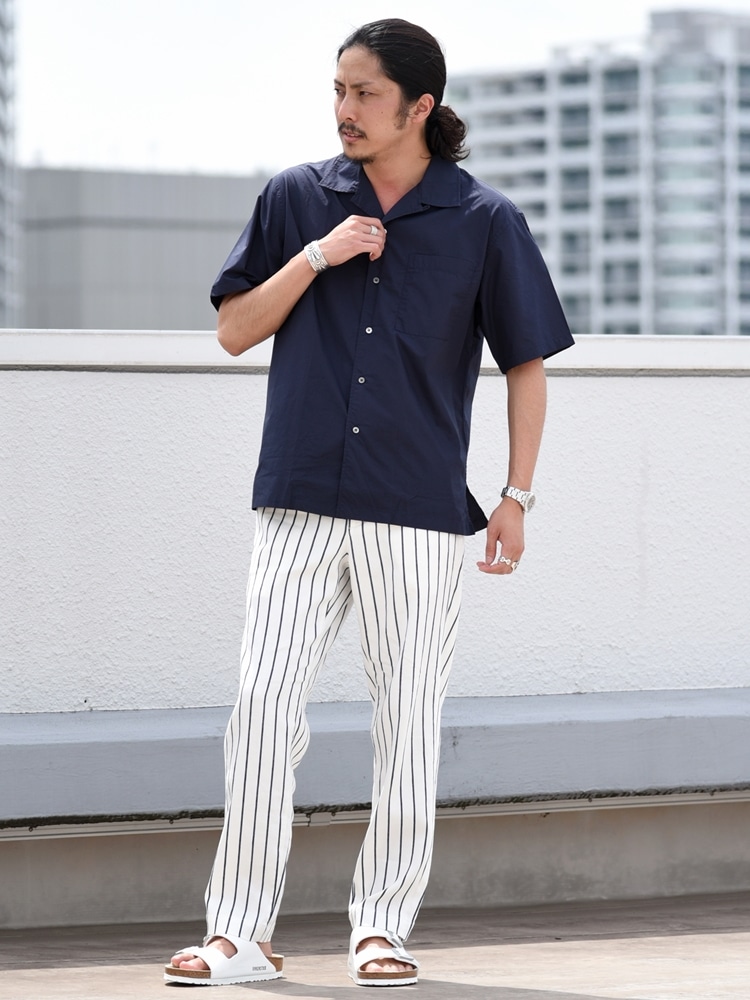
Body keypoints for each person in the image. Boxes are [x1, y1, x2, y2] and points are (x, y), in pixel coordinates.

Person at [164, 17, 573, 989]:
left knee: (408, 716)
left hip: (418, 507)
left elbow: (526, 364)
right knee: (263, 706)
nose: (344, 109)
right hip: (299, 495)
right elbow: (233, 329)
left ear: (419, 107)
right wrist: (317, 255)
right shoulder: (296, 197)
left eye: (365, 93)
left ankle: (381, 928)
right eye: (338, 90)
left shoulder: (485, 219)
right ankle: (238, 934)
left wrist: (515, 496)